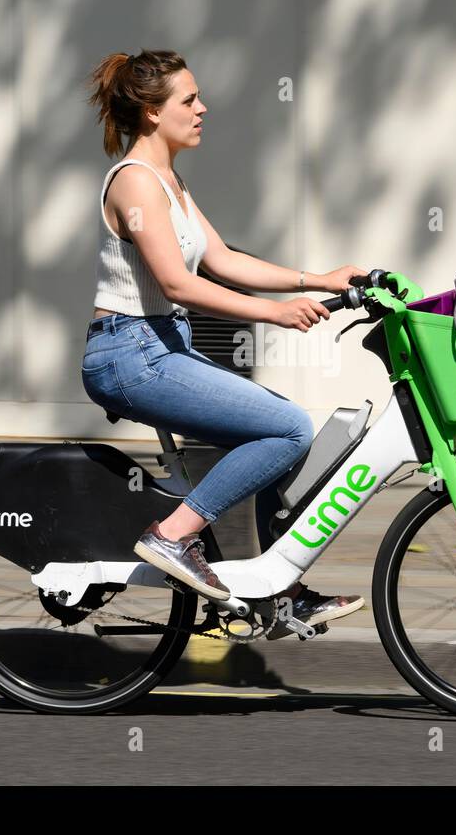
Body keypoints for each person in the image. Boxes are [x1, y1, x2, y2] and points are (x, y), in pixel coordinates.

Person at [82, 49, 364, 638]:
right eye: (189, 99)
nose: (202, 108)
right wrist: (277, 314)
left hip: (160, 346)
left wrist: (320, 278)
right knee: (288, 428)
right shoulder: (134, 182)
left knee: (278, 435)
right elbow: (179, 283)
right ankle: (171, 536)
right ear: (154, 113)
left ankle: (275, 592)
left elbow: (224, 261)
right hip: (130, 354)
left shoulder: (169, 181)